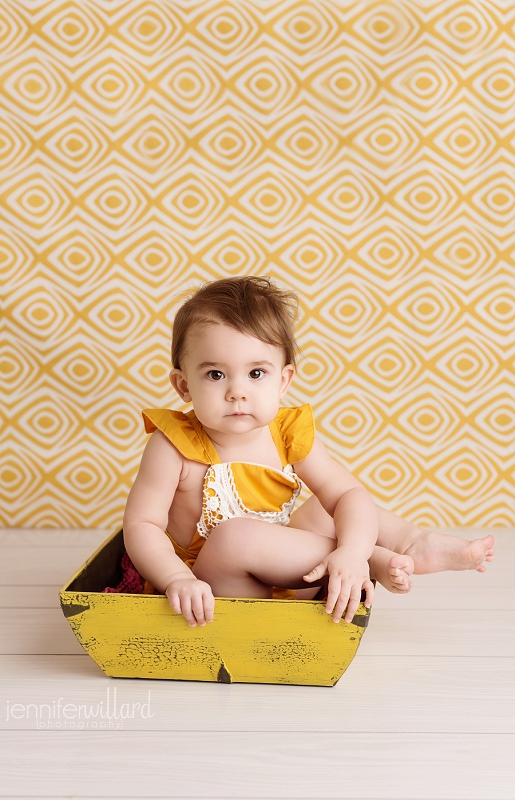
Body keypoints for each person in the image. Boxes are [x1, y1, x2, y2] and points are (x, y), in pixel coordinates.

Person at [123, 276, 495, 629]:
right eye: (216, 375)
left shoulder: (287, 433)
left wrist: (348, 548)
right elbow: (142, 525)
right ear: (183, 384)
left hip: (295, 575)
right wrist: (176, 578)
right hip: (214, 591)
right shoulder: (172, 445)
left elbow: (348, 494)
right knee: (234, 537)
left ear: (283, 381)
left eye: (256, 373)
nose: (238, 392)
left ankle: (407, 542)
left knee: (329, 506)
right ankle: (371, 559)